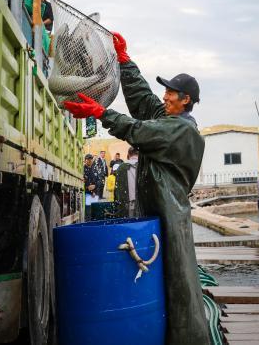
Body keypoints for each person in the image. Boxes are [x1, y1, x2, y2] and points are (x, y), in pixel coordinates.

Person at [63, 32, 211, 344]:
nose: (165, 96)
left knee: (178, 281)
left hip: (171, 218)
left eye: (171, 93)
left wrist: (101, 113)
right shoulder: (169, 119)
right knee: (160, 279)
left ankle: (188, 338)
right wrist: (125, 60)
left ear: (186, 100)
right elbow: (143, 99)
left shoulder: (182, 130)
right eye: (165, 91)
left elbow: (140, 131)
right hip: (157, 215)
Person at [114, 147, 139, 217]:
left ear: (128, 155)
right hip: (142, 204)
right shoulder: (144, 166)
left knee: (130, 222)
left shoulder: (121, 167)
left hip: (127, 204)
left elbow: (117, 189)